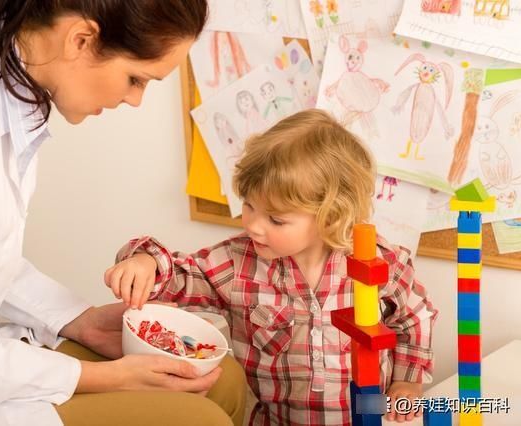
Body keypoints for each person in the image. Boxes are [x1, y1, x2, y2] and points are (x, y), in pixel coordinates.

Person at [0, 1, 246, 425]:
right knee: (199, 420)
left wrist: (81, 321)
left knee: (223, 379)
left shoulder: (16, 81)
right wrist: (102, 377)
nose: (134, 100)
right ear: (81, 39)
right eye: (135, 79)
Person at [105, 109, 439, 425]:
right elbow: (179, 275)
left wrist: (407, 380)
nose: (253, 225)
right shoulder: (237, 264)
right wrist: (144, 259)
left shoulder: (378, 262)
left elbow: (414, 316)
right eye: (249, 205)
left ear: (331, 216)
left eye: (276, 219)